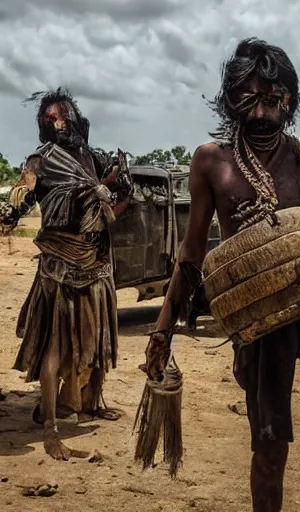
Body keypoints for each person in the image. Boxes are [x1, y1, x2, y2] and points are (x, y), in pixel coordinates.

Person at [142, 38, 300, 511]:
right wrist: (161, 332)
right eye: (247, 98)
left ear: (289, 100)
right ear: (231, 100)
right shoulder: (211, 161)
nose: (259, 112)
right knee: (271, 446)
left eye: (271, 99)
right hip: (261, 316)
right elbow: (192, 252)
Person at [7, 87, 133, 460]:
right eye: (49, 119)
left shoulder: (95, 158)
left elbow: (120, 197)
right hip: (58, 266)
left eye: (61, 114)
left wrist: (117, 186)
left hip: (95, 262)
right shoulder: (40, 162)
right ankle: (49, 427)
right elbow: (20, 196)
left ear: (76, 118)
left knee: (97, 341)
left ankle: (92, 401)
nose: (57, 122)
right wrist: (11, 211)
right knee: (53, 346)